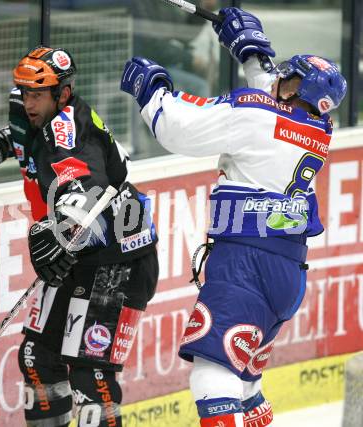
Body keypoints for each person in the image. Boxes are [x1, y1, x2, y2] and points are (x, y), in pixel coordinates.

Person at [120, 7, 346, 427]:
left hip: (246, 263)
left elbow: (176, 129)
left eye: (290, 79)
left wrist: (152, 90)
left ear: (301, 94)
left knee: (213, 373)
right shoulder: (319, 127)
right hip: (286, 271)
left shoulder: (257, 115)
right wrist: (250, 47)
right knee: (243, 382)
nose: (280, 78)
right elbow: (270, 95)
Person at [0, 46, 159, 427]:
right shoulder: (31, 113)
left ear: (63, 92)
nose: (29, 102)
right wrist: (1, 142)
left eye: (38, 94)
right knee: (37, 358)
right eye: (25, 92)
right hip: (79, 254)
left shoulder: (68, 132)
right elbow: (34, 143)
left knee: (89, 373)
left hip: (117, 260)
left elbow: (83, 188)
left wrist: (62, 228)